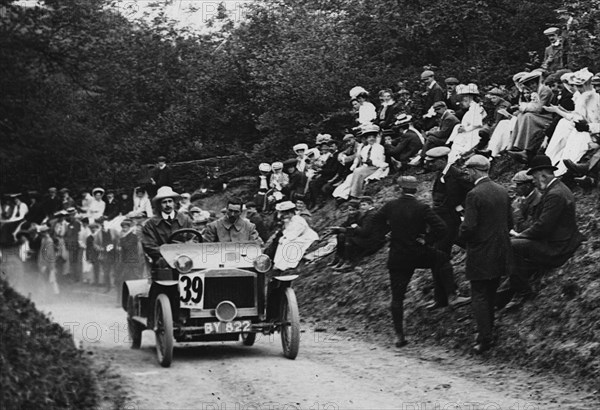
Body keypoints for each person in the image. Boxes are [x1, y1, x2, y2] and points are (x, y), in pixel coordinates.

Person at [370, 176, 468, 347]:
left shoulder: (390, 206)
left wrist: (387, 233)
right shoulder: (421, 207)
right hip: (418, 252)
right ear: (415, 190)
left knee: (397, 297)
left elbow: (374, 222)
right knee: (442, 259)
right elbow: (442, 228)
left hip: (398, 256)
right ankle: (452, 295)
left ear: (400, 189)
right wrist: (427, 239)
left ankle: (399, 335)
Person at [507, 155, 584, 310]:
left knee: (510, 246)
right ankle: (505, 295)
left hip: (558, 247)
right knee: (516, 250)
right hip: (559, 241)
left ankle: (524, 292)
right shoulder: (556, 189)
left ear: (543, 174)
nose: (533, 182)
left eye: (534, 178)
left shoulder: (555, 194)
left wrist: (521, 235)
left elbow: (543, 226)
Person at [458, 155, 512, 354]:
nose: (468, 175)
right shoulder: (502, 191)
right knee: (490, 292)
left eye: (468, 171)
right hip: (500, 250)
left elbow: (469, 227)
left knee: (479, 296)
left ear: (474, 171)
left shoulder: (474, 194)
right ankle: (486, 334)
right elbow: (510, 223)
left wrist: (461, 234)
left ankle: (484, 339)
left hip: (481, 252)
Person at [425, 146, 473, 257]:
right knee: (455, 239)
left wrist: (462, 206)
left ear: (442, 161)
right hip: (442, 215)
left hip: (451, 216)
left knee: (443, 246)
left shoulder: (456, 174)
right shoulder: (441, 173)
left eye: (433, 162)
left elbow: (472, 192)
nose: (430, 164)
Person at [508, 71, 554, 163]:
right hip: (541, 114)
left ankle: (526, 149)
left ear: (537, 82)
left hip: (548, 116)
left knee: (528, 116)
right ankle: (516, 145)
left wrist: (523, 107)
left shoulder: (545, 90)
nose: (532, 86)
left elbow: (539, 108)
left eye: (533, 83)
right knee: (521, 115)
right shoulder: (535, 91)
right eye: (530, 84)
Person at [142, 186, 194, 266]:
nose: (168, 205)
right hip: (163, 262)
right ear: (159, 204)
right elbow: (149, 246)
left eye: (170, 201)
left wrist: (184, 250)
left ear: (174, 203)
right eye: (164, 202)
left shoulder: (185, 219)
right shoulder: (150, 224)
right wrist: (169, 252)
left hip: (186, 260)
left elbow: (194, 239)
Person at [332, 196, 386, 272]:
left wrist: (356, 227)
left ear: (371, 205)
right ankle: (343, 260)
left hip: (373, 241)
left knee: (349, 238)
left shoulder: (370, 215)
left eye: (364, 205)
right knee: (346, 235)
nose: (362, 207)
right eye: (361, 205)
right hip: (374, 238)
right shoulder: (369, 213)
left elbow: (364, 232)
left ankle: (349, 263)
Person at [273, 201, 319, 271]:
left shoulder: (298, 220)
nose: (284, 216)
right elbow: (288, 231)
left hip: (307, 237)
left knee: (289, 243)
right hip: (299, 237)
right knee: (282, 241)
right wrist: (285, 236)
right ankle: (278, 263)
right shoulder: (289, 220)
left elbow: (295, 234)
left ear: (290, 213)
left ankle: (287, 264)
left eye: (285, 214)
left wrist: (287, 237)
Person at [446, 84, 487, 163]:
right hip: (468, 130)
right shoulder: (471, 108)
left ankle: (458, 159)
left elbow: (477, 123)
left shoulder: (475, 108)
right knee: (457, 143)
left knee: (462, 146)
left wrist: (465, 129)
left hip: (473, 132)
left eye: (465, 98)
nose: (463, 100)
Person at [349, 124, 387, 198]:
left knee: (358, 171)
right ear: (367, 139)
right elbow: (363, 158)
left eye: (373, 137)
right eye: (369, 137)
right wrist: (363, 162)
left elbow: (381, 160)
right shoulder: (365, 148)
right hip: (367, 167)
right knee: (357, 171)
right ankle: (353, 193)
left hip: (376, 167)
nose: (371, 139)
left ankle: (356, 194)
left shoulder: (379, 147)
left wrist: (372, 162)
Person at [328, 199, 361, 269]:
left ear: (358, 209)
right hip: (350, 233)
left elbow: (357, 229)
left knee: (343, 237)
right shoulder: (350, 216)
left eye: (353, 210)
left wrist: (344, 229)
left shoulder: (360, 217)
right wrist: (338, 228)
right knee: (340, 236)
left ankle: (346, 260)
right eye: (350, 210)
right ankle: (339, 257)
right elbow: (346, 223)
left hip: (357, 235)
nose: (351, 212)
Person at [116, 218, 142, 304]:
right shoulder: (122, 237)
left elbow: (127, 247)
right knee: (121, 282)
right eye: (123, 228)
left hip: (132, 263)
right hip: (123, 263)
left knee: (132, 282)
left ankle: (132, 301)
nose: (124, 229)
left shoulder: (133, 237)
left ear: (129, 228)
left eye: (126, 227)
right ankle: (121, 301)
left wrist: (122, 240)